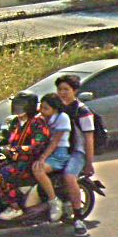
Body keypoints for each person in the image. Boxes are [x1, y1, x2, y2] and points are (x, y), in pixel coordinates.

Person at [0, 92, 51, 221]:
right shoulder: (15, 122)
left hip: (30, 162)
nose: (18, 108)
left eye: (21, 105)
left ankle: (15, 207)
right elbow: (7, 138)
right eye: (16, 104)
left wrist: (15, 149)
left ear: (30, 106)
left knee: (3, 174)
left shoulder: (38, 122)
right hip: (15, 158)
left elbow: (37, 146)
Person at [55, 73, 96, 237]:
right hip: (60, 150)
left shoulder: (82, 111)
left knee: (69, 176)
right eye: (60, 89)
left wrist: (89, 163)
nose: (62, 92)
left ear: (75, 91)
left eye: (66, 89)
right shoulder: (57, 108)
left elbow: (89, 138)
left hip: (77, 152)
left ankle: (78, 219)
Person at [31, 93, 72, 222]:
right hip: (46, 151)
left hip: (59, 153)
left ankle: (54, 201)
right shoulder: (42, 118)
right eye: (41, 108)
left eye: (46, 108)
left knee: (38, 169)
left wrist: (42, 158)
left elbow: (55, 142)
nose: (42, 111)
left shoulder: (62, 118)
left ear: (55, 109)